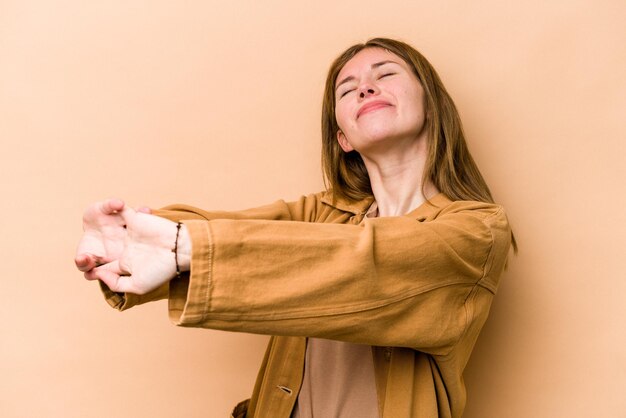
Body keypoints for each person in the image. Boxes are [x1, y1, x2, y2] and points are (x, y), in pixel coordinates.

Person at [75, 37, 515, 418]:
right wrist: (134, 236)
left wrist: (180, 247)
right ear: (343, 137)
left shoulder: (475, 230)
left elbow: (366, 266)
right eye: (348, 89)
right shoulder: (320, 215)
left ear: (431, 104)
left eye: (386, 74)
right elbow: (232, 229)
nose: (365, 87)